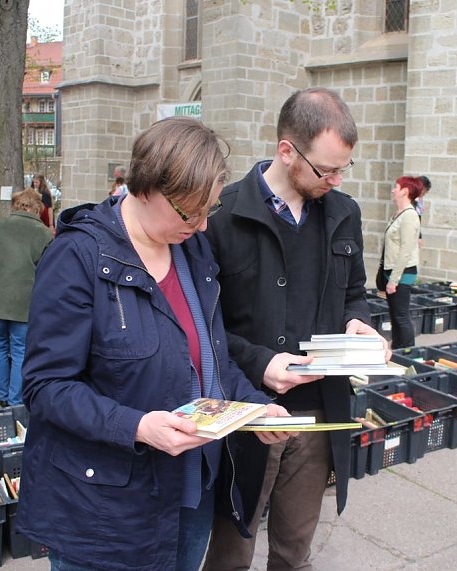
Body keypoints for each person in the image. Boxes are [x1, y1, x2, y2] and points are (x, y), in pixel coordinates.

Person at [15, 117, 292, 570]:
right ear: (144, 188)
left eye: (210, 210)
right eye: (190, 212)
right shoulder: (76, 257)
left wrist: (252, 406)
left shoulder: (192, 251)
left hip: (189, 491)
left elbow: (211, 358)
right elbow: (46, 387)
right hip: (104, 511)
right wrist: (138, 427)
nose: (202, 226)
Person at [202, 87, 390, 570]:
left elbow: (353, 294)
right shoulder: (221, 216)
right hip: (245, 414)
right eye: (326, 169)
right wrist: (261, 363)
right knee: (230, 551)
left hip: (318, 415)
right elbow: (203, 326)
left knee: (294, 550)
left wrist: (359, 324)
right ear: (287, 151)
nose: (335, 179)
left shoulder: (344, 212)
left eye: (344, 168)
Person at [0, 189, 53, 408]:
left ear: (16, 205)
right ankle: (15, 400)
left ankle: (3, 395)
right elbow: (51, 270)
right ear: (36, 208)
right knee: (20, 350)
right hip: (23, 301)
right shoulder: (43, 233)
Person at [382, 176, 423, 349]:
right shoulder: (399, 214)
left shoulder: (410, 216)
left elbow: (406, 250)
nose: (393, 190)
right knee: (395, 315)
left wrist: (394, 280)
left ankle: (407, 351)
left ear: (405, 191)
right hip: (392, 270)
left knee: (400, 315)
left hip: (403, 272)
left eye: (396, 187)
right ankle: (398, 349)